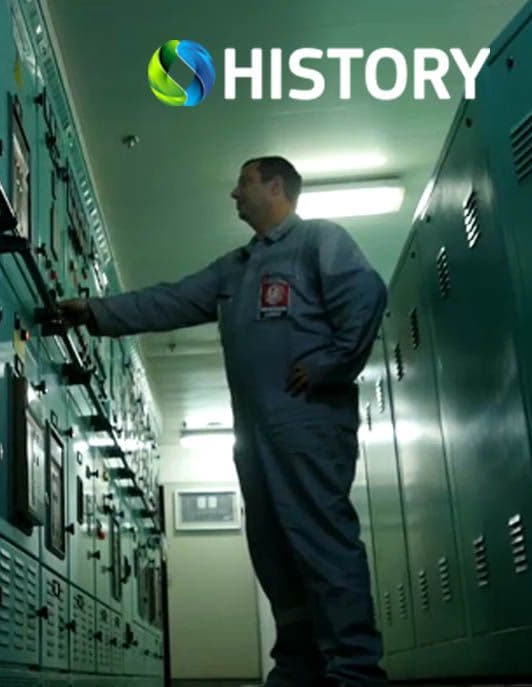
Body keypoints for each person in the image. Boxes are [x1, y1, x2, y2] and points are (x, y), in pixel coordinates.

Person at [56, 157, 388, 687]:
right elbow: (170, 300)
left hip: (306, 420)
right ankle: (298, 666)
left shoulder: (319, 241)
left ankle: (354, 670)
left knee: (321, 539)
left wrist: (332, 364)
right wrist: (95, 312)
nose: (235, 193)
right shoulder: (237, 266)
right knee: (272, 549)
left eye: (244, 183)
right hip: (253, 433)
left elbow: (366, 295)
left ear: (276, 186)